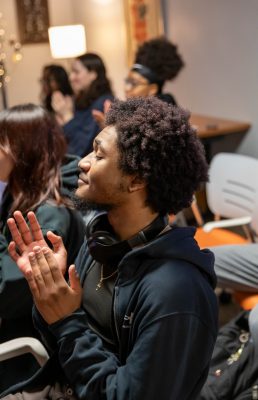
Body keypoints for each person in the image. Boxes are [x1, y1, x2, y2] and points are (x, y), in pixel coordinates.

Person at [2, 97, 218, 400]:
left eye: (99, 156)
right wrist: (49, 290)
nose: (83, 161)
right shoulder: (102, 242)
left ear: (135, 180)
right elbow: (61, 345)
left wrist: (68, 323)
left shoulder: (176, 293)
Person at [0, 104, 85, 392]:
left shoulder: (48, 215)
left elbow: (9, 298)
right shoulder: (19, 194)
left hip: (27, 351)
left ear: (23, 151)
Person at [52, 53, 114, 157]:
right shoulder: (82, 99)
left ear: (93, 74)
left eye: (76, 72)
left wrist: (67, 116)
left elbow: (80, 149)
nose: (71, 78)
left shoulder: (103, 104)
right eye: (71, 72)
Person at [124, 36, 184, 104]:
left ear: (153, 89)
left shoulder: (164, 113)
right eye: (127, 81)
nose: (127, 89)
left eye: (134, 83)